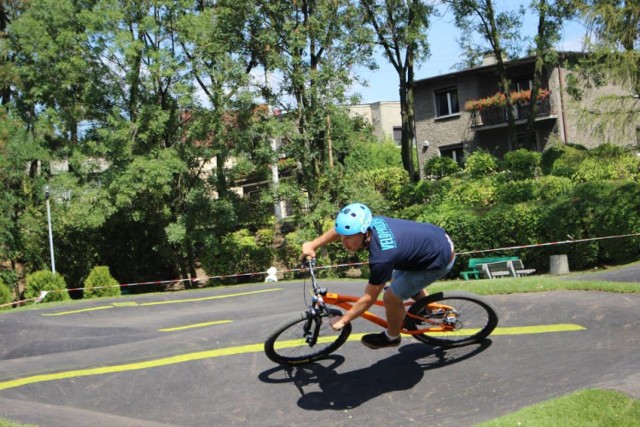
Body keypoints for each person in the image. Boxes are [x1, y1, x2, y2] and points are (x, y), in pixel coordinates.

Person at [301, 202, 455, 349]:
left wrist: (343, 320)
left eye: (348, 238)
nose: (343, 242)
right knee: (398, 281)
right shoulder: (369, 223)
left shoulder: (381, 257)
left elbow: (369, 298)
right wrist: (313, 244)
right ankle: (428, 308)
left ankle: (392, 337)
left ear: (363, 232)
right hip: (434, 241)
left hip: (438, 259)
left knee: (390, 297)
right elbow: (340, 230)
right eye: (343, 236)